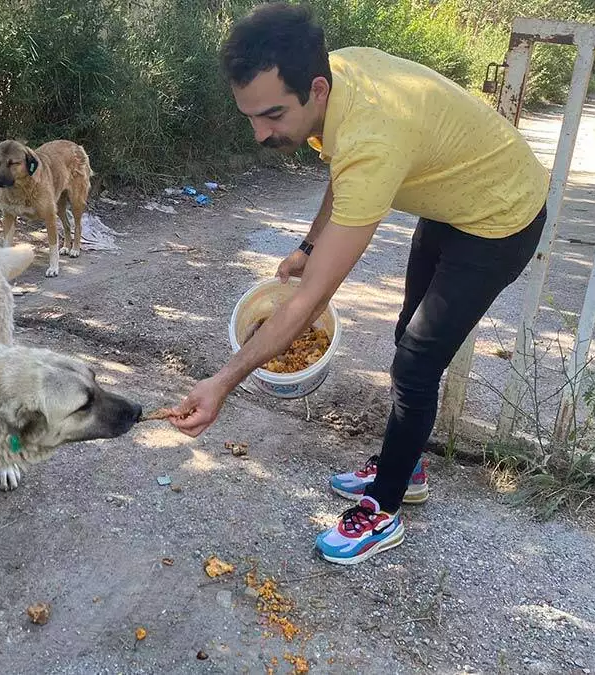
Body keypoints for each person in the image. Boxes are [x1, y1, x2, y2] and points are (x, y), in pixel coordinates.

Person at [168, 2, 549, 565]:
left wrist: (222, 382)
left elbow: (313, 299)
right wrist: (308, 244)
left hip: (500, 216)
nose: (259, 134)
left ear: (315, 89)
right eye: (250, 116)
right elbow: (340, 169)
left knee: (417, 360)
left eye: (272, 116)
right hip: (453, 202)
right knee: (407, 336)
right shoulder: (336, 79)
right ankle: (408, 463)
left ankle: (385, 509)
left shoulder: (373, 133)